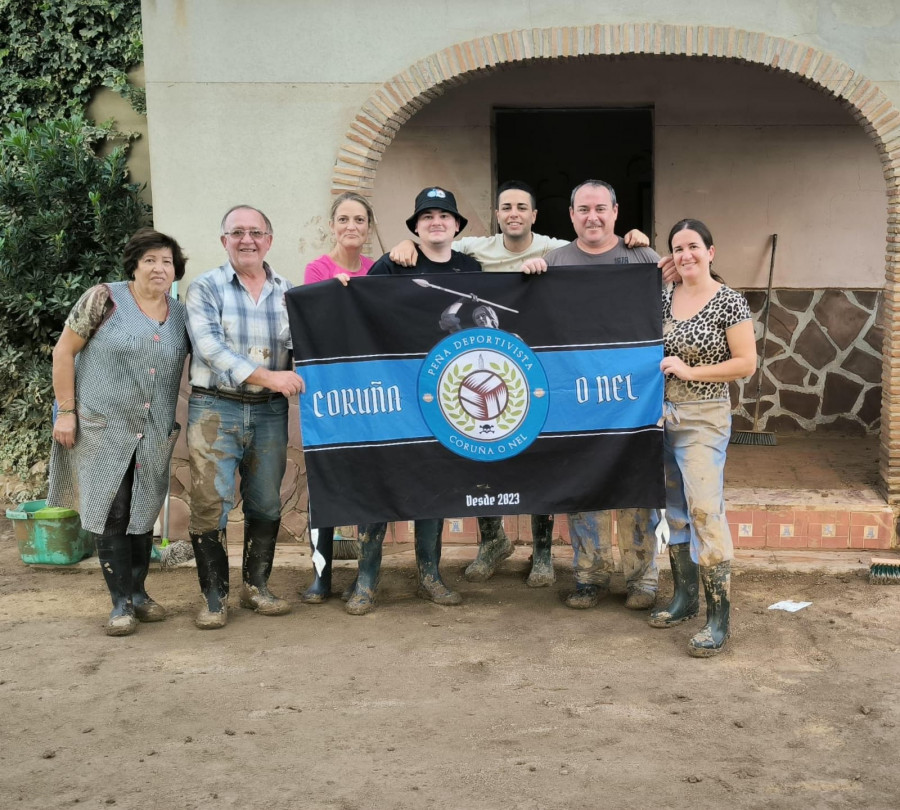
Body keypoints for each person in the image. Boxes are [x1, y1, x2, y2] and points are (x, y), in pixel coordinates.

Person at [390, 180, 653, 589]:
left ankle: (555, 556)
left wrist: (637, 238)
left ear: (536, 215)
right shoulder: (479, 250)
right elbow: (437, 240)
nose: (514, 213)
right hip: (497, 364)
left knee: (547, 459)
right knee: (484, 452)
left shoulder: (565, 249)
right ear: (496, 215)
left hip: (570, 373)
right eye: (506, 207)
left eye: (522, 207)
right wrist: (403, 244)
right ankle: (498, 544)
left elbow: (627, 266)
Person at [525, 179, 664, 611]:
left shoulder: (642, 257)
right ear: (570, 216)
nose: (593, 217)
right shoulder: (554, 262)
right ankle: (589, 577)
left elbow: (673, 303)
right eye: (583, 209)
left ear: (616, 212)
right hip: (578, 398)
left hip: (632, 395)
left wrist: (654, 253)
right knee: (585, 486)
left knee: (636, 486)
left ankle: (643, 579)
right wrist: (529, 277)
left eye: (601, 208)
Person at [47, 229, 189, 636]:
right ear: (134, 264)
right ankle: (120, 603)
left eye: (166, 261)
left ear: (175, 269)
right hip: (102, 427)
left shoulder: (179, 314)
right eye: (149, 260)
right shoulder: (104, 298)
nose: (158, 268)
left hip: (152, 431)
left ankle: (141, 593)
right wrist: (66, 412)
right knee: (113, 510)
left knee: (142, 513)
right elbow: (64, 351)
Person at [345, 186, 479, 615]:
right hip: (393, 391)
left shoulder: (471, 268)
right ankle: (366, 580)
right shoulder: (394, 263)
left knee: (434, 483)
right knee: (380, 479)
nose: (436, 221)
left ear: (456, 225)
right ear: (416, 227)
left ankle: (430, 575)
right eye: (427, 216)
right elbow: (358, 307)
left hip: (447, 395)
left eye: (444, 215)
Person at [185, 205, 305, 630]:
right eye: (237, 232)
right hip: (216, 406)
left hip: (269, 412)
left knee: (266, 502)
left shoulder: (289, 292)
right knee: (209, 503)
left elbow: (305, 345)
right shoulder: (205, 287)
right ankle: (214, 599)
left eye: (256, 232)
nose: (247, 240)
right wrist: (271, 376)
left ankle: (256, 588)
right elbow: (210, 350)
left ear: (269, 240)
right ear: (224, 241)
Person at [649, 219, 755, 657]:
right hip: (661, 416)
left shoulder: (729, 302)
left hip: (703, 416)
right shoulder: (662, 296)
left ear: (711, 252)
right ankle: (684, 598)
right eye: (677, 248)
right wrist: (652, 271)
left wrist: (691, 371)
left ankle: (718, 617)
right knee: (674, 510)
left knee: (705, 510)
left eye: (693, 246)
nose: (686, 254)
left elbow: (745, 363)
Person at [300, 192, 377, 605]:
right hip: (330, 393)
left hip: (372, 392)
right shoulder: (317, 270)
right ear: (332, 225)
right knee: (323, 480)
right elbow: (316, 325)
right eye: (344, 219)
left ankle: (365, 574)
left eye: (360, 220)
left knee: (369, 479)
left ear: (369, 227)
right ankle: (321, 575)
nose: (352, 227)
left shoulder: (376, 271)